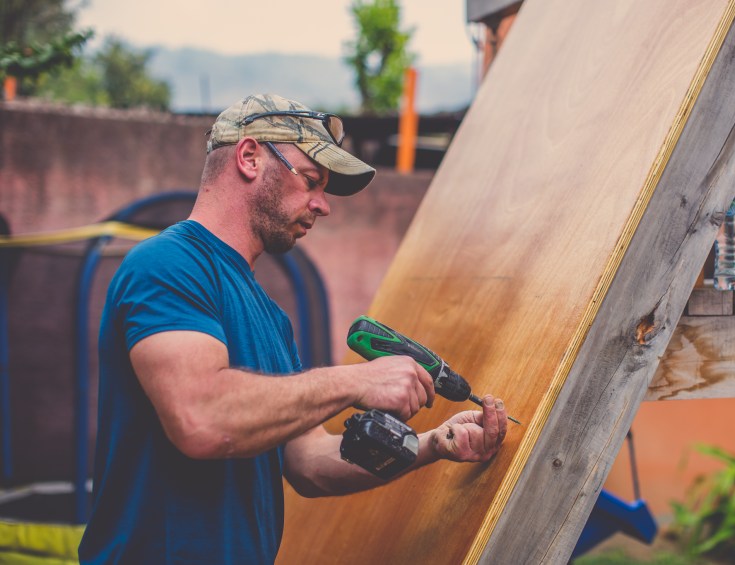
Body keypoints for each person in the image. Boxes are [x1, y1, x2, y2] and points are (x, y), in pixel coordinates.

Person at [78, 94, 509, 564]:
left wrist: (434, 443)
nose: (323, 205)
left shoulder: (271, 318)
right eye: (310, 180)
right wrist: (356, 381)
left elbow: (309, 463)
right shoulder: (167, 264)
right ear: (249, 157)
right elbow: (201, 419)